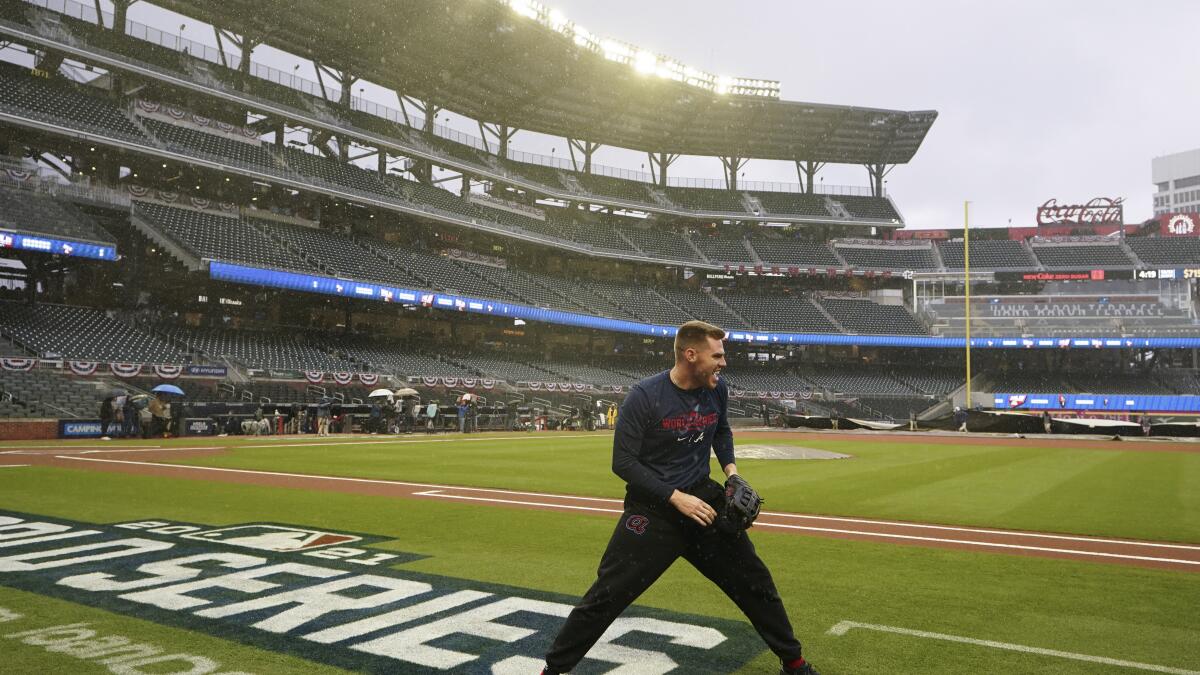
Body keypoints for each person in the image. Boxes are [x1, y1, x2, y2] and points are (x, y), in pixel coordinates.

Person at [541, 321, 817, 675]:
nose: (724, 363)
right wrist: (675, 498)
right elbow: (622, 463)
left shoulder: (717, 388)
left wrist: (732, 473)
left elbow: (721, 430)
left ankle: (794, 664)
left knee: (755, 582)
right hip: (653, 509)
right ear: (691, 355)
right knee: (607, 595)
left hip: (704, 502)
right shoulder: (645, 396)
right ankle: (553, 670)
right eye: (717, 355)